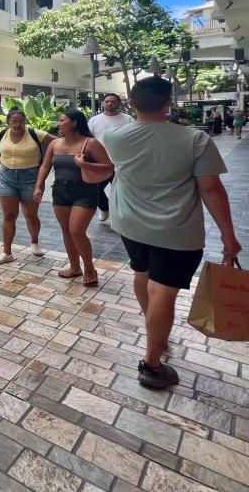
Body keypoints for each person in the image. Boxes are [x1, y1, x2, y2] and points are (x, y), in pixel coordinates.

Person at [106, 76, 241, 389]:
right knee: (163, 292)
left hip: (129, 224)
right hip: (176, 231)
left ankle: (154, 327)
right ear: (169, 102)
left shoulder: (115, 138)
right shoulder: (194, 139)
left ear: (131, 103)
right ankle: (152, 365)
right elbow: (211, 190)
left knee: (142, 273)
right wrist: (228, 236)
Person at [34, 110, 113, 287]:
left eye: (62, 120)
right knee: (66, 231)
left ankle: (90, 269)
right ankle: (75, 267)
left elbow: (109, 166)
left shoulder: (90, 143)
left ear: (75, 123)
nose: (58, 123)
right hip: (60, 191)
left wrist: (84, 164)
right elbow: (45, 166)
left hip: (85, 191)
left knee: (76, 231)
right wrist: (39, 185)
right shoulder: (55, 144)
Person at [0, 109, 55, 265]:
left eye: (21, 121)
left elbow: (57, 142)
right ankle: (7, 252)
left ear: (25, 121)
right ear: (8, 122)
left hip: (31, 179)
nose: (17, 124)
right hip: (6, 178)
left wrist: (48, 161)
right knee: (9, 215)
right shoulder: (2, 134)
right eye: (14, 121)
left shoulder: (35, 134)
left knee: (31, 214)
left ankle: (35, 242)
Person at [88, 93, 133, 222]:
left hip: (121, 162)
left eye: (112, 101)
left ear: (118, 103)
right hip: (99, 161)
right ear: (103, 103)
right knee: (94, 189)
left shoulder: (128, 119)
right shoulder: (94, 120)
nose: (109, 104)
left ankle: (123, 217)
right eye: (107, 101)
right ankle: (104, 208)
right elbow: (88, 138)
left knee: (122, 191)